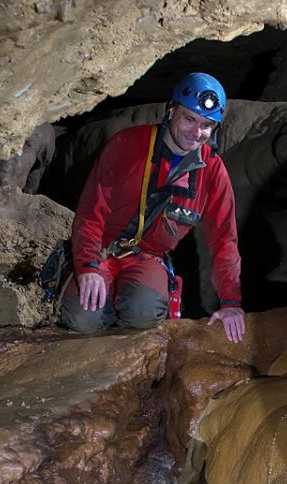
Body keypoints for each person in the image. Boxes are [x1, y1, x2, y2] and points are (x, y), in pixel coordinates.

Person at [61, 72, 246, 343]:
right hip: (102, 249)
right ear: (171, 112)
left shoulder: (213, 171)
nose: (197, 132)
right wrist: (87, 266)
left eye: (207, 125)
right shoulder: (128, 145)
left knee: (143, 314)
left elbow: (224, 242)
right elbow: (91, 213)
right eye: (189, 119)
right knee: (84, 318)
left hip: (147, 258)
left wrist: (231, 303)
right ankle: (75, 283)